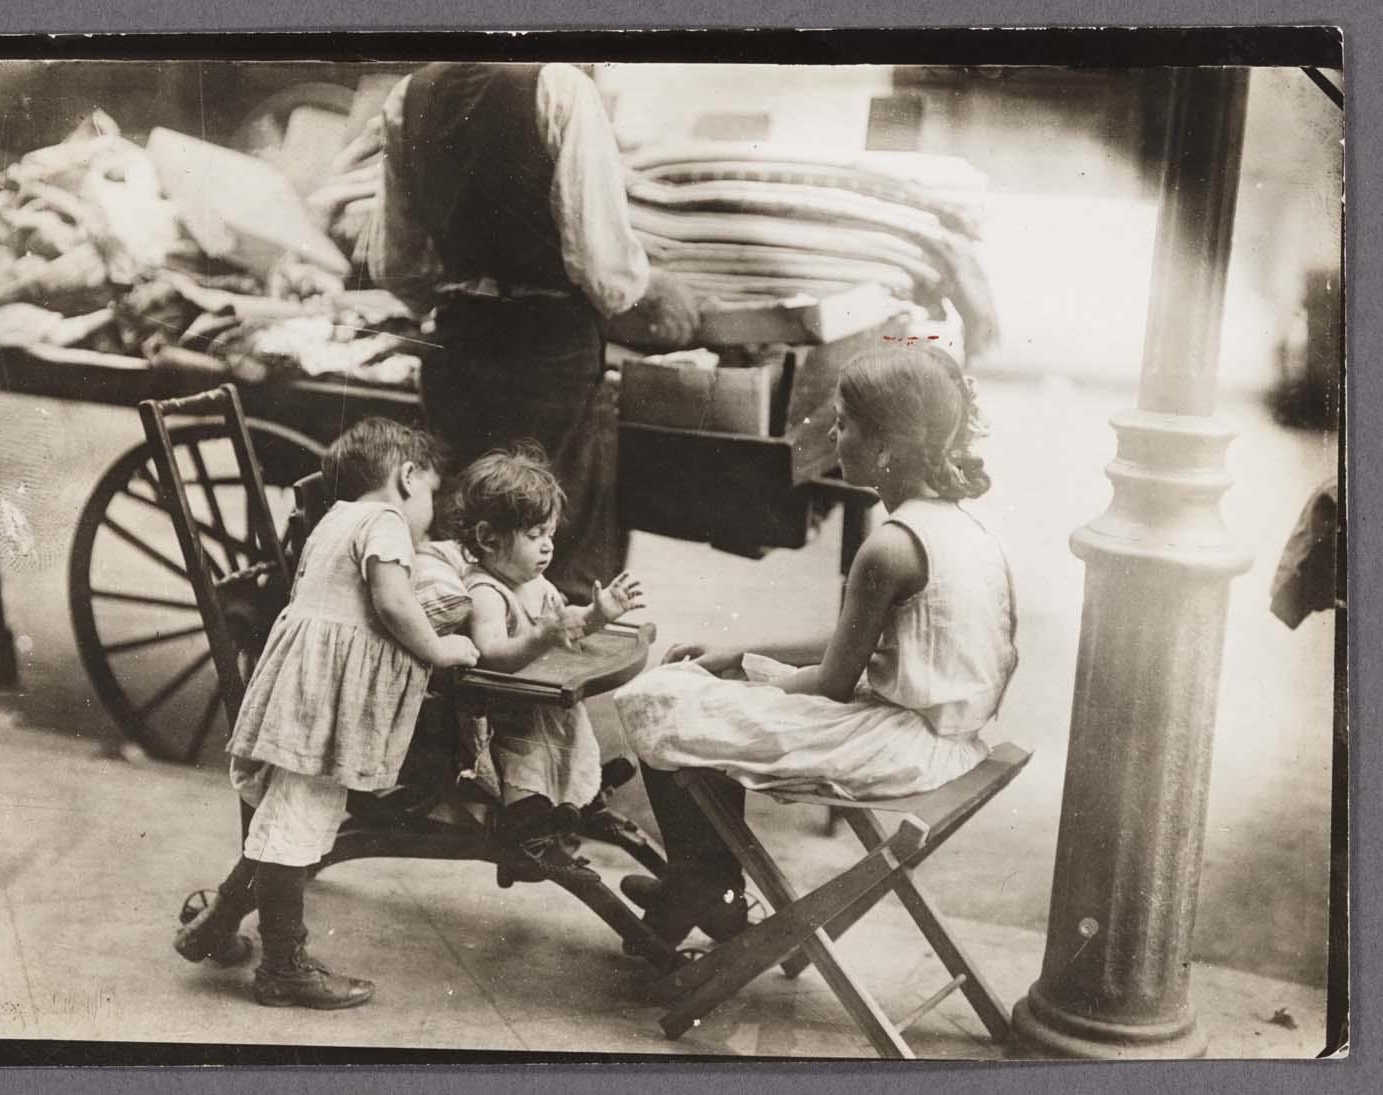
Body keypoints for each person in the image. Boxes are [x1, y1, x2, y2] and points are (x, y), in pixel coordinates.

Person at [612, 341, 1018, 947]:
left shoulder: (889, 547)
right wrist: (738, 658)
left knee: (659, 698)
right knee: (712, 699)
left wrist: (741, 678)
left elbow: (831, 683)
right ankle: (704, 886)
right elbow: (856, 644)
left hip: (899, 746)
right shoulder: (960, 527)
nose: (832, 435)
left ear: (885, 448)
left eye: (844, 425)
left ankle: (700, 884)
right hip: (946, 739)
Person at [367, 61, 702, 603]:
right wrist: (649, 288)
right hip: (549, 348)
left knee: (466, 531)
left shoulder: (409, 95)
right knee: (552, 535)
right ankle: (553, 644)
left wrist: (461, 294)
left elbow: (393, 263)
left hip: (460, 340)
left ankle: (469, 645)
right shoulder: (559, 87)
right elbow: (604, 268)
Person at [173, 418, 480, 1009]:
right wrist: (440, 650)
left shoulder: (335, 518)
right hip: (322, 702)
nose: (431, 510)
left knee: (285, 820)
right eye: (432, 493)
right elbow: (394, 603)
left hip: (302, 690)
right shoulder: (386, 521)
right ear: (407, 476)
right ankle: (283, 969)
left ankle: (214, 925)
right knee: (294, 829)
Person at [447, 443, 647, 884]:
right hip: (510, 716)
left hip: (547, 703)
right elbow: (492, 653)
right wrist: (541, 636)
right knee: (528, 771)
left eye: (550, 534)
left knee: (570, 750)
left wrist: (598, 617)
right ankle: (527, 840)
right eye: (535, 535)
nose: (548, 546)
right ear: (488, 538)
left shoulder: (535, 582)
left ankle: (583, 798)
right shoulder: (486, 592)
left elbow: (565, 627)